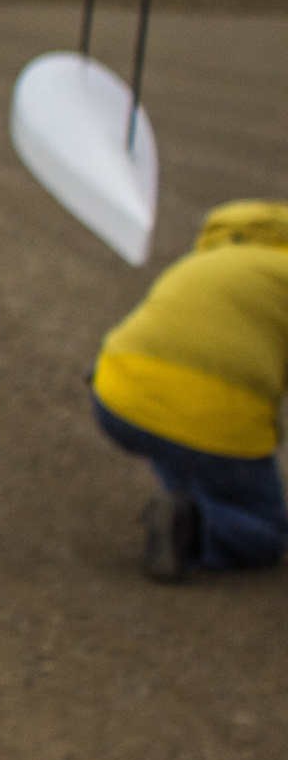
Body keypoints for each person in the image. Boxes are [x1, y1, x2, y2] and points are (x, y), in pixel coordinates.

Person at [91, 200, 288, 582]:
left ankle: (182, 508)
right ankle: (197, 531)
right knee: (267, 527)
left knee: (188, 454)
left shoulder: (205, 260)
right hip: (202, 413)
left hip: (116, 397)